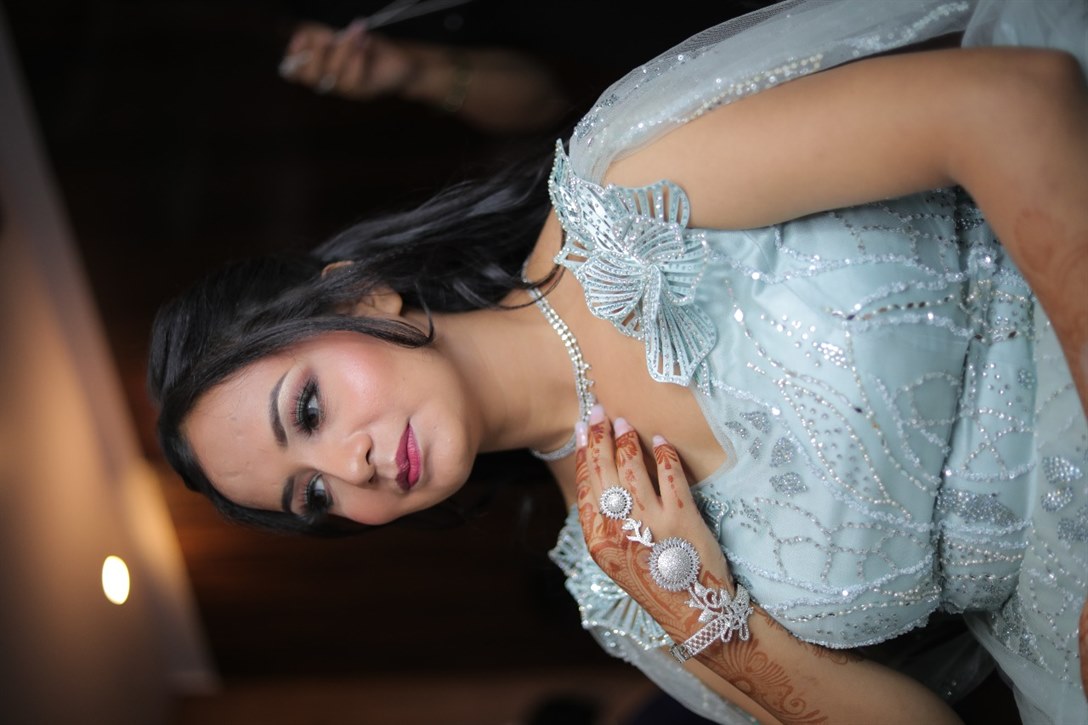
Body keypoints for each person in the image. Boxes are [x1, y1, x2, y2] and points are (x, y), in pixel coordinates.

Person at [148, 1, 1088, 723]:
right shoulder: (619, 585)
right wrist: (710, 624)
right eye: (312, 496)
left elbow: (1007, 105)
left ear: (359, 297)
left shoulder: (626, 201)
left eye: (308, 410)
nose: (347, 468)